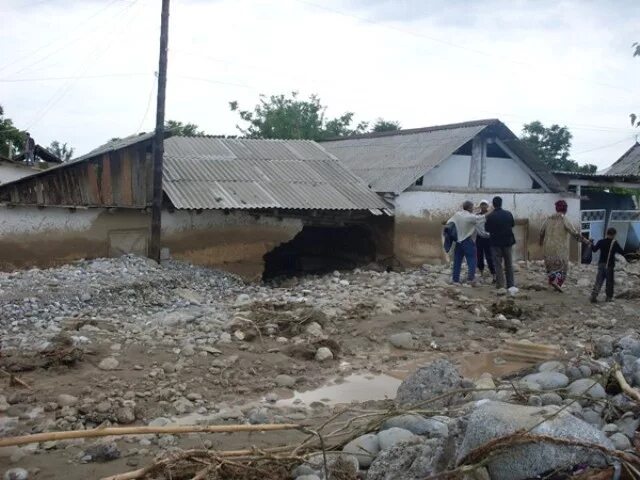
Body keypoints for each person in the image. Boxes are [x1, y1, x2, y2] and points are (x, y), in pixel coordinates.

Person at [540, 199, 588, 292]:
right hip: (560, 249)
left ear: (556, 208)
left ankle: (552, 283)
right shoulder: (564, 219)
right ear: (565, 209)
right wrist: (585, 240)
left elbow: (541, 231)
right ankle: (557, 282)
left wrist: (541, 242)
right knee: (562, 267)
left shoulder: (548, 218)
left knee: (550, 266)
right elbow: (574, 232)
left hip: (548, 248)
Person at [447, 200, 484, 285]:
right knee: (472, 260)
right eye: (473, 207)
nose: (474, 208)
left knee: (457, 261)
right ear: (470, 208)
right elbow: (482, 218)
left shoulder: (457, 215)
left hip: (458, 241)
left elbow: (449, 223)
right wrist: (490, 212)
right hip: (467, 241)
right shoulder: (470, 217)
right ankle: (470, 279)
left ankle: (455, 279)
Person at [485, 196, 516, 290]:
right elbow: (512, 224)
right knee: (508, 263)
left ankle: (500, 285)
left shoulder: (490, 216)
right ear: (501, 203)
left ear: (493, 205)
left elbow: (487, 229)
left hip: (495, 243)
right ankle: (510, 284)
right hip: (508, 242)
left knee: (498, 264)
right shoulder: (508, 214)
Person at [590, 227, 624, 303]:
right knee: (609, 282)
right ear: (614, 235)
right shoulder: (614, 243)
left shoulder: (601, 241)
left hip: (601, 264)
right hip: (609, 265)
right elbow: (622, 252)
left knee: (599, 280)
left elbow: (594, 250)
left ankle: (594, 296)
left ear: (606, 233)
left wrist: (591, 243)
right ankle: (608, 298)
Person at [475, 200, 496, 283]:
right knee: (479, 256)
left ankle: (494, 274)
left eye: (485, 204)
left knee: (489, 257)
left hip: (489, 239)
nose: (483, 206)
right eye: (482, 204)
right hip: (479, 238)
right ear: (480, 206)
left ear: (487, 206)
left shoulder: (492, 215)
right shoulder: (477, 216)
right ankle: (481, 273)